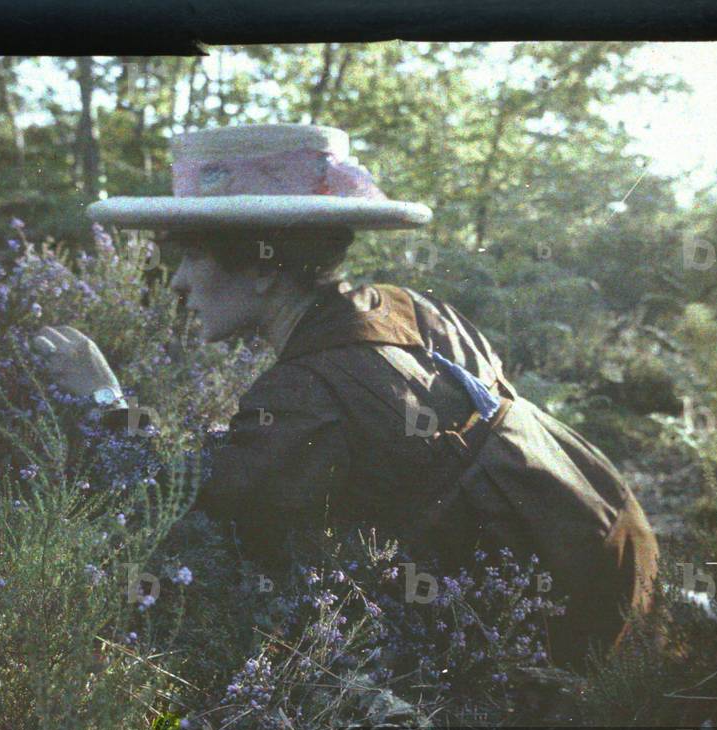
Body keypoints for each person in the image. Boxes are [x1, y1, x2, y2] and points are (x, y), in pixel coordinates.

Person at [33, 123, 659, 668]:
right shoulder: (406, 307)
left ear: (261, 266)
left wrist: (104, 401)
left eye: (194, 257)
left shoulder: (310, 390)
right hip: (608, 544)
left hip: (552, 631)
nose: (177, 283)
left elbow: (177, 499)